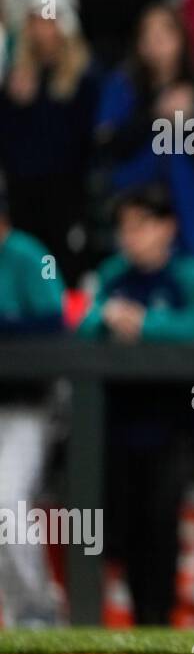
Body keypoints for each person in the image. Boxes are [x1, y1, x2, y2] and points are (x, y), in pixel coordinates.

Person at [78, 184, 194, 624]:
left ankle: (157, 622)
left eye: (142, 225)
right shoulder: (112, 274)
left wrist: (146, 323)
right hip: (116, 420)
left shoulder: (192, 275)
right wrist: (106, 318)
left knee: (161, 522)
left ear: (167, 228)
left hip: (174, 421)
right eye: (125, 226)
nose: (131, 235)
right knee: (117, 526)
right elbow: (81, 327)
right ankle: (107, 619)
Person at [94, 3, 194, 261]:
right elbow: (108, 146)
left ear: (181, 39)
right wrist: (156, 113)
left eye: (165, 35)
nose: (157, 45)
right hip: (137, 210)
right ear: (139, 45)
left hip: (193, 213)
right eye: (149, 37)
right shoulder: (123, 86)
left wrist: (189, 122)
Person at [0, 0, 99, 283]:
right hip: (23, 192)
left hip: (67, 193)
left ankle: (63, 318)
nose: (42, 30)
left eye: (49, 21)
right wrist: (16, 105)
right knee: (32, 262)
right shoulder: (16, 77)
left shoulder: (85, 77)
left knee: (62, 263)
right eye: (35, 22)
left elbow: (84, 139)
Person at [0, 181, 65, 627]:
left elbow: (53, 325)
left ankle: (37, 607)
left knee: (6, 502)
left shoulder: (31, 255)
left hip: (29, 403)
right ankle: (21, 609)